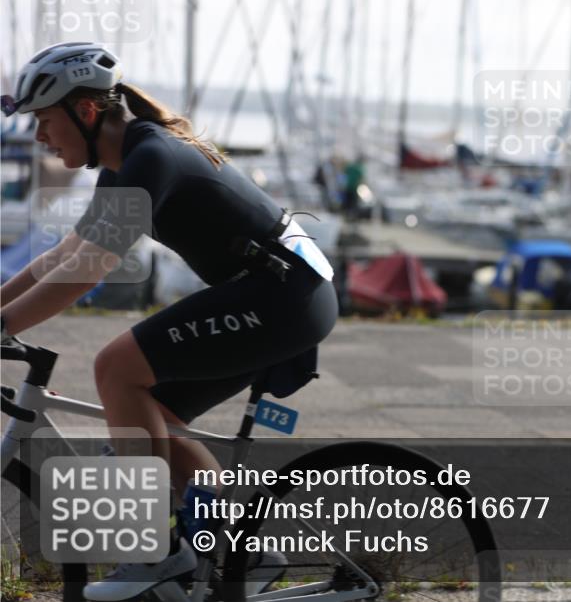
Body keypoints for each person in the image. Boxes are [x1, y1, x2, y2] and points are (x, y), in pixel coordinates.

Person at [0, 42, 338, 600]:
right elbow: (59, 258)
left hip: (285, 296)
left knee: (116, 368)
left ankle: (156, 553)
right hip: (281, 295)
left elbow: (87, 272)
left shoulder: (150, 157)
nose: (39, 136)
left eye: (45, 120)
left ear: (86, 112)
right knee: (152, 412)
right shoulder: (124, 164)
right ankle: (238, 552)